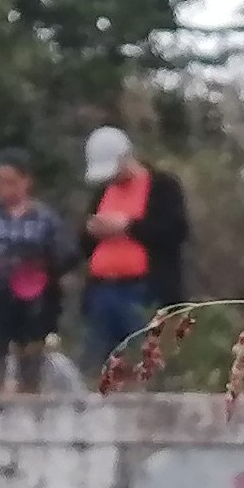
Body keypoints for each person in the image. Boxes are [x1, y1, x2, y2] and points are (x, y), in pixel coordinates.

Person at [0, 150, 79, 391]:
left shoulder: (44, 218)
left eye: (10, 182)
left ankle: (30, 397)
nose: (3, 188)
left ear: (26, 182)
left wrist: (44, 265)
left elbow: (65, 255)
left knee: (32, 357)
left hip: (35, 300)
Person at [73, 123, 189, 376]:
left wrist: (128, 226)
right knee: (98, 364)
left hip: (143, 292)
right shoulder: (103, 191)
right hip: (103, 291)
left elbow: (176, 231)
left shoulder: (162, 186)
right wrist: (92, 231)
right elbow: (83, 245)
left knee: (142, 361)